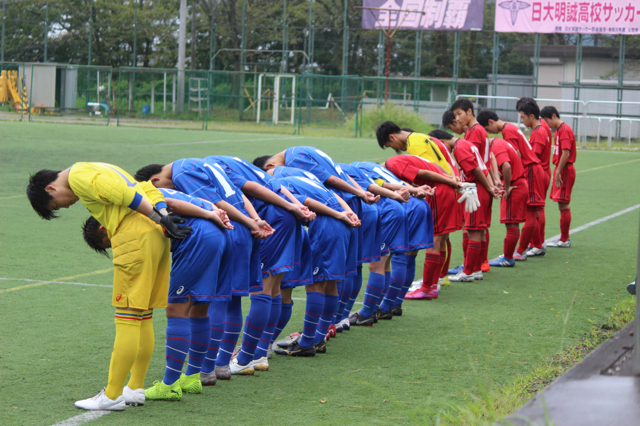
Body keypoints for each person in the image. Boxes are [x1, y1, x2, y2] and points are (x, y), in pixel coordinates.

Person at [26, 162, 191, 411]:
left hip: (134, 237)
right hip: (155, 237)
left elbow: (125, 196)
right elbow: (146, 188)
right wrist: (162, 215)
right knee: (143, 316)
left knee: (127, 317)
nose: (69, 205)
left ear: (51, 188)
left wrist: (162, 217)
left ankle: (112, 394)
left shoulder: (79, 176)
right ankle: (134, 388)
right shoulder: (98, 167)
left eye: (58, 204)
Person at [81, 187, 233, 401]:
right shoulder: (141, 191)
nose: (116, 243)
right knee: (200, 308)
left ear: (102, 227)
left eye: (110, 241)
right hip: (222, 233)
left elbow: (173, 205)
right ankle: (193, 377)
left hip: (199, 234)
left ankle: (169, 385)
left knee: (176, 309)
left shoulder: (132, 200)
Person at [135, 159, 273, 380]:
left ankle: (182, 378)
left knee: (194, 305)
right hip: (238, 228)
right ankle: (216, 366)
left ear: (154, 181)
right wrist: (254, 220)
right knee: (226, 300)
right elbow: (240, 194)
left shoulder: (176, 174)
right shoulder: (207, 165)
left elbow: (202, 205)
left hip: (226, 226)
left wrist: (249, 222)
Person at [205, 155, 316, 370]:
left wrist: (293, 207)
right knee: (274, 288)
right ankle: (259, 353)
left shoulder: (212, 167)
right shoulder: (240, 163)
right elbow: (276, 186)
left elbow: (252, 189)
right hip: (285, 217)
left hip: (273, 217)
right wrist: (294, 206)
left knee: (263, 290)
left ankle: (246, 358)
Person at [261, 167, 360, 355]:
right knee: (331, 283)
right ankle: (319, 338)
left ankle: (307, 342)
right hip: (343, 224)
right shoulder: (305, 176)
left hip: (328, 224)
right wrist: (347, 212)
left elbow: (305, 202)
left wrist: (337, 214)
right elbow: (332, 194)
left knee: (315, 284)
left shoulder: (279, 182)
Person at [351, 161, 434, 317]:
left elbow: (384, 185)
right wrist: (415, 189)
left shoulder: (356, 169)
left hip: (402, 206)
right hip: (419, 204)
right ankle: (393, 304)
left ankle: (370, 312)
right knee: (406, 258)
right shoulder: (378, 167)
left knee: (380, 263)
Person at [382, 154, 462, 299]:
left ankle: (426, 288)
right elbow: (435, 165)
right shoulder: (403, 157)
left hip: (438, 192)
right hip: (443, 190)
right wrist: (449, 179)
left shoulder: (392, 163)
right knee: (441, 239)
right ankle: (433, 285)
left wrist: (450, 180)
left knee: (435, 240)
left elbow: (425, 173)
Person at [428, 130, 500, 282]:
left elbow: (476, 169)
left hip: (476, 190)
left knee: (473, 230)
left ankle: (467, 272)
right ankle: (476, 269)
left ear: (440, 141)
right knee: (479, 231)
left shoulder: (460, 148)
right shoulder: (465, 143)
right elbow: (483, 167)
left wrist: (487, 187)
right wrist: (491, 186)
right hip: (481, 188)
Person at [477, 110, 546, 261]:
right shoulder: (509, 127)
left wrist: (508, 184)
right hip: (528, 171)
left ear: (490, 122)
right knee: (532, 211)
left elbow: (513, 158)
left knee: (529, 212)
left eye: (488, 129)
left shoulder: (505, 132)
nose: (489, 132)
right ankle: (535, 245)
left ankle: (522, 251)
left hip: (528, 171)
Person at [449, 100, 495, 273]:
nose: (458, 119)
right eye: (455, 116)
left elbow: (474, 165)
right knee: (478, 228)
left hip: (475, 186)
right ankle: (477, 265)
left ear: (469, 112)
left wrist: (489, 185)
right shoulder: (476, 131)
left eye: (459, 114)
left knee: (473, 229)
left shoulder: (474, 131)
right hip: (480, 185)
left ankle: (470, 269)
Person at [486, 139, 529, 267]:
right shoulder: (499, 142)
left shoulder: (496, 145)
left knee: (511, 223)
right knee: (511, 223)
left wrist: (508, 185)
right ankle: (508, 255)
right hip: (517, 183)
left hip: (515, 186)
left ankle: (508, 258)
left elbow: (506, 165)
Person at [517, 100, 552, 257]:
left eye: (523, 117)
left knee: (534, 209)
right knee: (536, 209)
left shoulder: (538, 132)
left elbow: (533, 157)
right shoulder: (540, 130)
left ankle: (533, 245)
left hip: (537, 173)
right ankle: (537, 243)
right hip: (542, 172)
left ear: (532, 116)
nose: (522, 121)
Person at [540, 106, 576, 247]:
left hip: (565, 169)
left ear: (554, 116)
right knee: (561, 203)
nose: (547, 124)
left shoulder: (564, 130)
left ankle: (564, 239)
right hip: (561, 168)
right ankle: (563, 238)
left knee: (563, 203)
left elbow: (566, 153)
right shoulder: (560, 130)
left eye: (547, 120)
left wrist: (559, 171)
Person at [375, 121, 453, 174]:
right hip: (449, 177)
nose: (394, 149)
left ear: (392, 137)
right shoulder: (420, 136)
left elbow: (432, 167)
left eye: (390, 146)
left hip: (444, 186)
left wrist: (451, 180)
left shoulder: (413, 146)